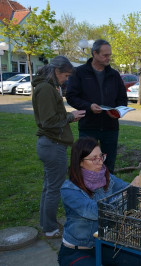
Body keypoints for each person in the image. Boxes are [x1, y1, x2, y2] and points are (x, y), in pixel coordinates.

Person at [58, 137, 141, 266]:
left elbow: (126, 188)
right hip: (76, 250)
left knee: (137, 262)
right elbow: (94, 211)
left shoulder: (107, 177)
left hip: (102, 244)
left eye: (101, 156)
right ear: (80, 162)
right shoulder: (69, 189)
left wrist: (136, 187)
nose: (100, 162)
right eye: (94, 159)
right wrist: (127, 194)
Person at [32, 56, 86, 238]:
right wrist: (70, 117)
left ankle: (47, 224)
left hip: (51, 144)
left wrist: (68, 117)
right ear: (56, 72)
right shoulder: (46, 89)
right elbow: (48, 122)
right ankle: (50, 230)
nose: (67, 79)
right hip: (53, 145)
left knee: (49, 187)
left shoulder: (47, 87)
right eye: (66, 75)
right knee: (54, 188)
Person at [66, 39, 128, 174]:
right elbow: (71, 96)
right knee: (87, 163)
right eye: (105, 55)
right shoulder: (79, 72)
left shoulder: (114, 75)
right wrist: (89, 106)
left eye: (110, 55)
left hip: (110, 127)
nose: (108, 58)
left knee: (108, 164)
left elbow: (123, 98)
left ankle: (107, 190)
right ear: (94, 53)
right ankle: (87, 191)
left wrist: (117, 111)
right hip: (88, 126)